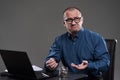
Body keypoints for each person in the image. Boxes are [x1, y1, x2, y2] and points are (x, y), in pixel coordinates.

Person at [44, 7, 110, 80]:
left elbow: (105, 63)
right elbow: (52, 58)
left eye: (76, 19)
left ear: (82, 20)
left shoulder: (96, 38)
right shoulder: (59, 40)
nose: (73, 23)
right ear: (64, 23)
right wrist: (51, 64)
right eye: (69, 20)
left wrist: (89, 65)